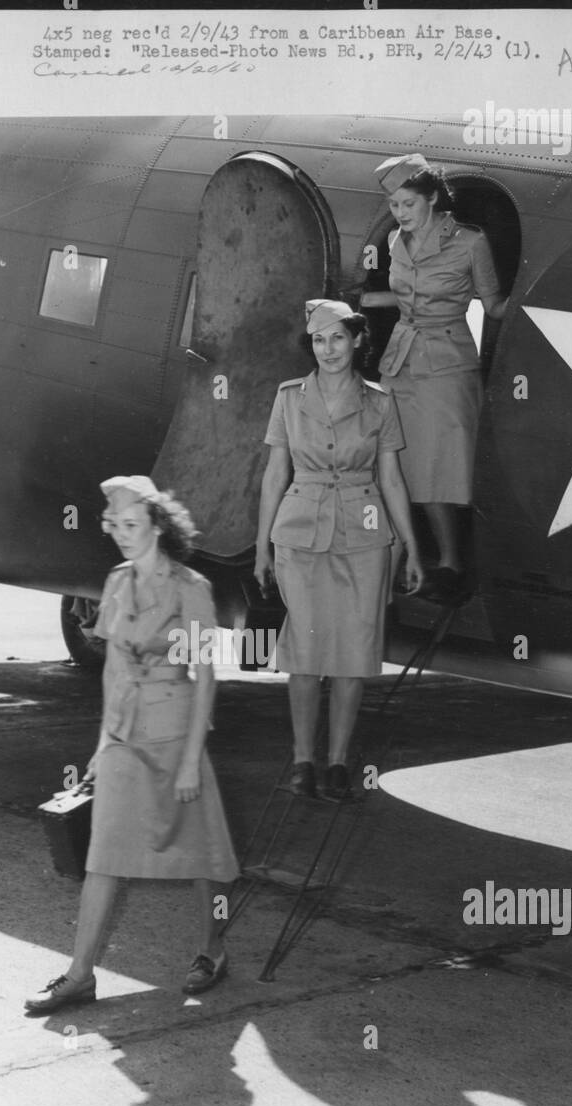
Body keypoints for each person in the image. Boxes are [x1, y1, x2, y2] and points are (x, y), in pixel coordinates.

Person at [25, 476, 239, 1015]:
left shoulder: (190, 586)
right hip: (125, 738)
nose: (120, 534)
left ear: (157, 525)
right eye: (113, 525)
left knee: (203, 858)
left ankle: (212, 950)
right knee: (103, 857)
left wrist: (192, 759)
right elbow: (114, 668)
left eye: (130, 524)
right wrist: (103, 744)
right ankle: (79, 975)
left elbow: (206, 674)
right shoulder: (116, 583)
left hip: (175, 735)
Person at [254, 299, 424, 801]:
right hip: (300, 531)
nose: (328, 349)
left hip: (365, 532)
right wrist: (261, 546)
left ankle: (338, 763)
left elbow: (391, 478)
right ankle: (303, 759)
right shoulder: (288, 398)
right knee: (304, 655)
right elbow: (274, 475)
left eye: (337, 338)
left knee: (354, 654)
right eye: (319, 340)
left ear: (356, 342)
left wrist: (411, 547)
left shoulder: (379, 402)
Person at [360, 153, 509, 599]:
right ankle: (406, 557)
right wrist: (363, 301)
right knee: (397, 463)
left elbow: (494, 304)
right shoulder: (394, 242)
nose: (400, 214)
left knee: (440, 467)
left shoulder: (469, 243)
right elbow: (406, 299)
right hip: (401, 360)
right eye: (394, 206)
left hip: (447, 363)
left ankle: (449, 563)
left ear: (431, 198)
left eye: (407, 204)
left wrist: (531, 307)